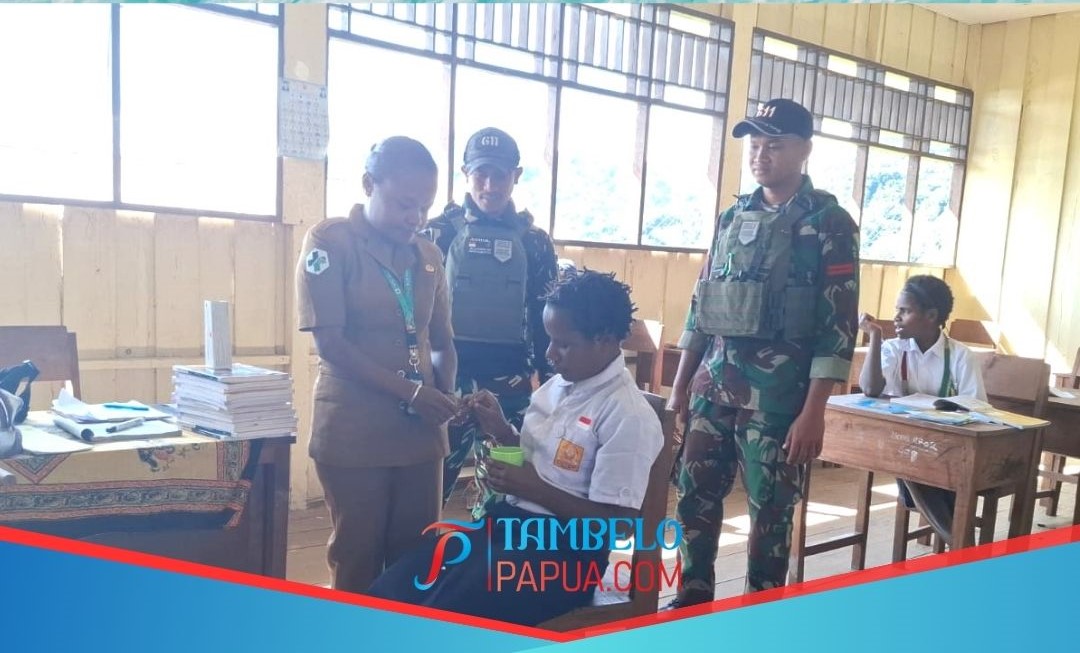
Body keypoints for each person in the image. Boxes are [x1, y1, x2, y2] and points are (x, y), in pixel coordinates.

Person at [368, 270, 664, 626]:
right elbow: (541, 462)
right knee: (399, 585)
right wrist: (502, 431)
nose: (550, 354)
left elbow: (617, 528)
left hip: (565, 558)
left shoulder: (626, 415)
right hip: (511, 527)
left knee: (444, 610)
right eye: (549, 340)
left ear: (604, 339)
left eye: (563, 344)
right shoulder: (557, 387)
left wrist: (533, 488)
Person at [666, 98, 860, 608]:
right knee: (694, 497)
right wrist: (681, 387)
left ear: (805, 150)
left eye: (774, 144)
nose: (761, 155)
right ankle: (693, 595)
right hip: (713, 388)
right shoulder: (732, 216)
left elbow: (837, 325)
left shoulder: (830, 223)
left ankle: (759, 609)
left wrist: (814, 412)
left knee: (770, 512)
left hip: (777, 399)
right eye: (755, 145)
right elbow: (701, 305)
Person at [295, 136, 459, 594]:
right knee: (357, 557)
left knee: (418, 558)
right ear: (369, 184)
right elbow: (331, 344)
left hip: (420, 435)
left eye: (425, 207)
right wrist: (413, 393)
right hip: (355, 432)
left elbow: (442, 341)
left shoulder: (428, 256)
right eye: (405, 204)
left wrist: (446, 395)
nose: (416, 218)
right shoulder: (330, 243)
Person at [420, 127, 558, 510]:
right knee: (429, 488)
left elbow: (546, 318)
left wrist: (552, 384)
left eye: (500, 175)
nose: (490, 186)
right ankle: (422, 550)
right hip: (447, 382)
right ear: (465, 172)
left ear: (517, 175)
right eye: (481, 174)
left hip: (510, 385)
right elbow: (413, 313)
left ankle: (492, 548)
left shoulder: (535, 242)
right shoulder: (436, 233)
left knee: (508, 490)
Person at [858, 274, 986, 544]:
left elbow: (978, 409)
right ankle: (962, 544)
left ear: (931, 315)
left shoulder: (961, 356)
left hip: (948, 448)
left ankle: (960, 544)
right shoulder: (893, 349)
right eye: (897, 310)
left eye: (905, 311)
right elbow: (870, 388)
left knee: (918, 466)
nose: (896, 317)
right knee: (912, 463)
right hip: (903, 444)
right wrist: (875, 336)